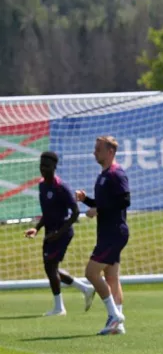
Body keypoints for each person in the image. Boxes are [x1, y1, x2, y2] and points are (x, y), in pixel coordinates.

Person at [24, 151, 94, 315]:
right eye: (41, 165)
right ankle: (85, 289)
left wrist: (59, 233)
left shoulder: (61, 187)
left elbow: (76, 212)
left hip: (63, 232)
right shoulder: (42, 185)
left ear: (54, 167)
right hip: (50, 232)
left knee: (50, 267)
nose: (43, 169)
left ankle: (59, 308)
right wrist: (37, 228)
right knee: (50, 268)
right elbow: (47, 213)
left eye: (47, 166)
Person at [75, 136, 129, 335]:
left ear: (110, 152)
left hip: (114, 232)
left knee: (91, 273)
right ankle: (117, 324)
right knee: (112, 277)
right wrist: (86, 200)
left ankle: (114, 315)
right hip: (108, 231)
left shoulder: (117, 173)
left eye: (98, 149)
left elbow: (124, 201)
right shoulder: (103, 175)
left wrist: (98, 209)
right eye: (94, 148)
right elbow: (103, 204)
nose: (94, 152)